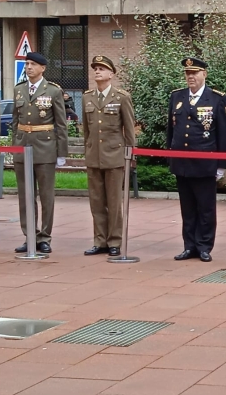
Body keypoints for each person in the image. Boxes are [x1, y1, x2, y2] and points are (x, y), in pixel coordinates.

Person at [167, 57, 226, 263]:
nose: (190, 77)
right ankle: (189, 246)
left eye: (194, 73)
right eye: (187, 73)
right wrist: (171, 156)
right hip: (182, 163)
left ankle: (204, 246)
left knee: (205, 208)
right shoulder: (176, 96)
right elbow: (172, 130)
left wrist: (221, 164)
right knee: (187, 208)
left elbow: (224, 134)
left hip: (205, 163)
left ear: (204, 74)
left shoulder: (217, 99)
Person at [11, 52, 68, 254]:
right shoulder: (19, 90)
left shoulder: (53, 91)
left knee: (46, 195)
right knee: (25, 196)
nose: (28, 67)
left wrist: (62, 152)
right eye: (27, 64)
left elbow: (61, 124)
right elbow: (15, 122)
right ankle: (30, 236)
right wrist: (14, 146)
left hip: (45, 147)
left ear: (43, 68)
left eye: (33, 64)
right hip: (22, 146)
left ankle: (45, 236)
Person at [82, 55, 136, 257]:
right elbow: (86, 130)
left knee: (114, 202)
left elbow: (129, 129)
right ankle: (100, 240)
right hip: (94, 156)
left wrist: (130, 154)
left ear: (111, 74)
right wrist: (88, 150)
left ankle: (114, 240)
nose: (97, 71)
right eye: (95, 68)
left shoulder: (121, 97)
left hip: (114, 156)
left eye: (102, 69)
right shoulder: (88, 96)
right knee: (96, 201)